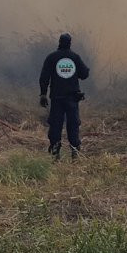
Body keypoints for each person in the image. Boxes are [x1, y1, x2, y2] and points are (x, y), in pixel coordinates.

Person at [39, 33, 90, 161]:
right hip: (72, 98)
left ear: (59, 42)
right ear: (70, 43)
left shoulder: (52, 57)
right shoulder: (75, 57)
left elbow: (44, 78)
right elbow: (84, 74)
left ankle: (55, 152)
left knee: (55, 124)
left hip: (57, 98)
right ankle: (75, 152)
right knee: (73, 124)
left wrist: (43, 94)